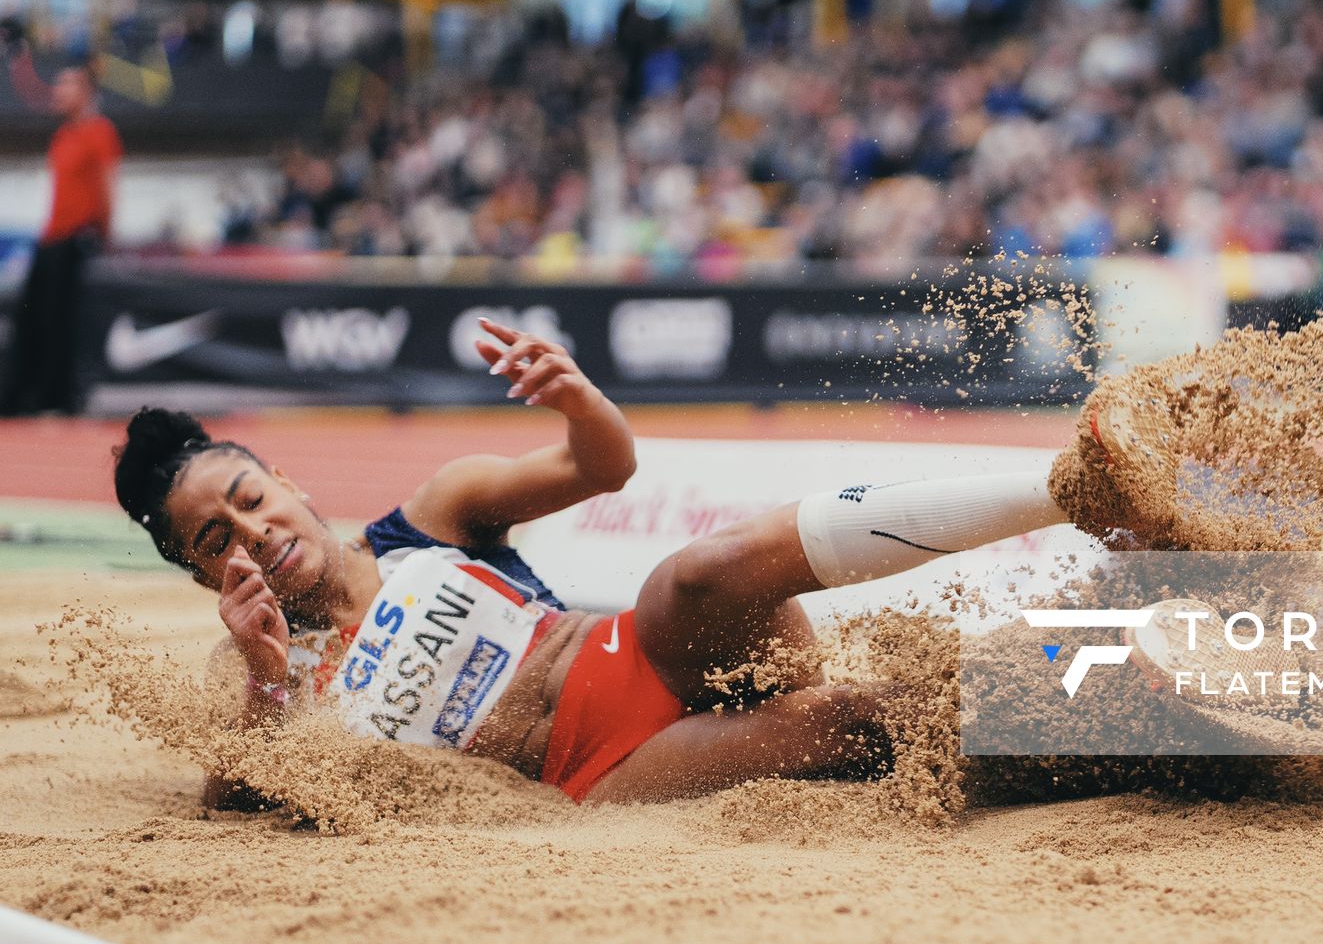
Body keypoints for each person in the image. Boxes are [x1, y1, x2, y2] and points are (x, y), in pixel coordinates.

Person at [112, 317, 1115, 807]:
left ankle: (1070, 488)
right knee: (856, 723)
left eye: (248, 500)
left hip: (644, 651)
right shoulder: (252, 676)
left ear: (281, 477)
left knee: (699, 571)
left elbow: (606, 465)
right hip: (604, 768)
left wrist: (577, 397)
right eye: (216, 541)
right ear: (203, 576)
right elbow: (238, 801)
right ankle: (1147, 715)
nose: (252, 534)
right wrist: (264, 679)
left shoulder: (433, 514)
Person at [2, 52, 121, 416]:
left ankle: (58, 398)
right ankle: (26, 395)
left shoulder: (99, 132)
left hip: (75, 239)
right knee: (32, 318)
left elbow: (107, 187)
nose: (57, 90)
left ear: (85, 92)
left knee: (61, 321)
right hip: (51, 238)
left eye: (66, 84)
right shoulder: (63, 135)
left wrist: (103, 234)